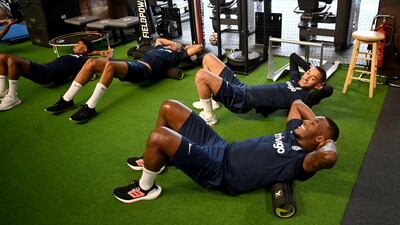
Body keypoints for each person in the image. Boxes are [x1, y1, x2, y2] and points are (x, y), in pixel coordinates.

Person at [113, 99, 339, 203]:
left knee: (159, 136)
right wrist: (314, 124)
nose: (305, 122)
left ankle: (146, 188)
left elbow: (329, 155)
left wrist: (323, 139)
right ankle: (157, 161)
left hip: (220, 171)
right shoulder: (294, 132)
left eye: (311, 124)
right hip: (222, 147)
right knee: (169, 107)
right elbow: (297, 103)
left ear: (320, 139)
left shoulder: (302, 163)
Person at [45, 38, 203, 124]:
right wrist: (172, 43)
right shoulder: (160, 48)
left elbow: (199, 47)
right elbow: (160, 39)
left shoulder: (177, 56)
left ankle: (90, 107)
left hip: (143, 70)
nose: (173, 44)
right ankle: (67, 100)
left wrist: (182, 46)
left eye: (177, 45)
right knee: (91, 63)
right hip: (135, 65)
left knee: (110, 66)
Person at [192, 53, 334, 125]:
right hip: (242, 87)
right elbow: (293, 57)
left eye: (313, 79)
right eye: (308, 74)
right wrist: (309, 69)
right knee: (208, 58)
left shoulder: (305, 98)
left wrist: (319, 82)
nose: (307, 77)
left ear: (318, 86)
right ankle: (211, 102)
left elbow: (329, 90)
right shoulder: (295, 80)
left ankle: (209, 117)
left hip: (243, 99)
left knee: (201, 76)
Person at [0, 38, 113, 111]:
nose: (75, 45)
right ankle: (2, 91)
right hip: (43, 68)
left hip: (47, 73)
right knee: (2, 58)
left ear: (84, 48)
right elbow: (86, 52)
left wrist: (109, 54)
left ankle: (12, 97)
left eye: (78, 44)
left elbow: (105, 63)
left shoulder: (87, 61)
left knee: (12, 61)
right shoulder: (77, 55)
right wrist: (98, 51)